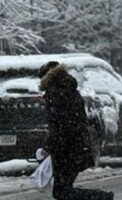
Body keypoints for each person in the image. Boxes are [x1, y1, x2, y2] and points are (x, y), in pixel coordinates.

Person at [38, 61, 113, 200]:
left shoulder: (56, 93)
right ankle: (101, 197)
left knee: (62, 192)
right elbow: (70, 122)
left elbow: (60, 126)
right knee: (63, 191)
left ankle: (102, 197)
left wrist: (48, 147)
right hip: (75, 147)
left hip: (67, 150)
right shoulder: (68, 89)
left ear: (46, 77)